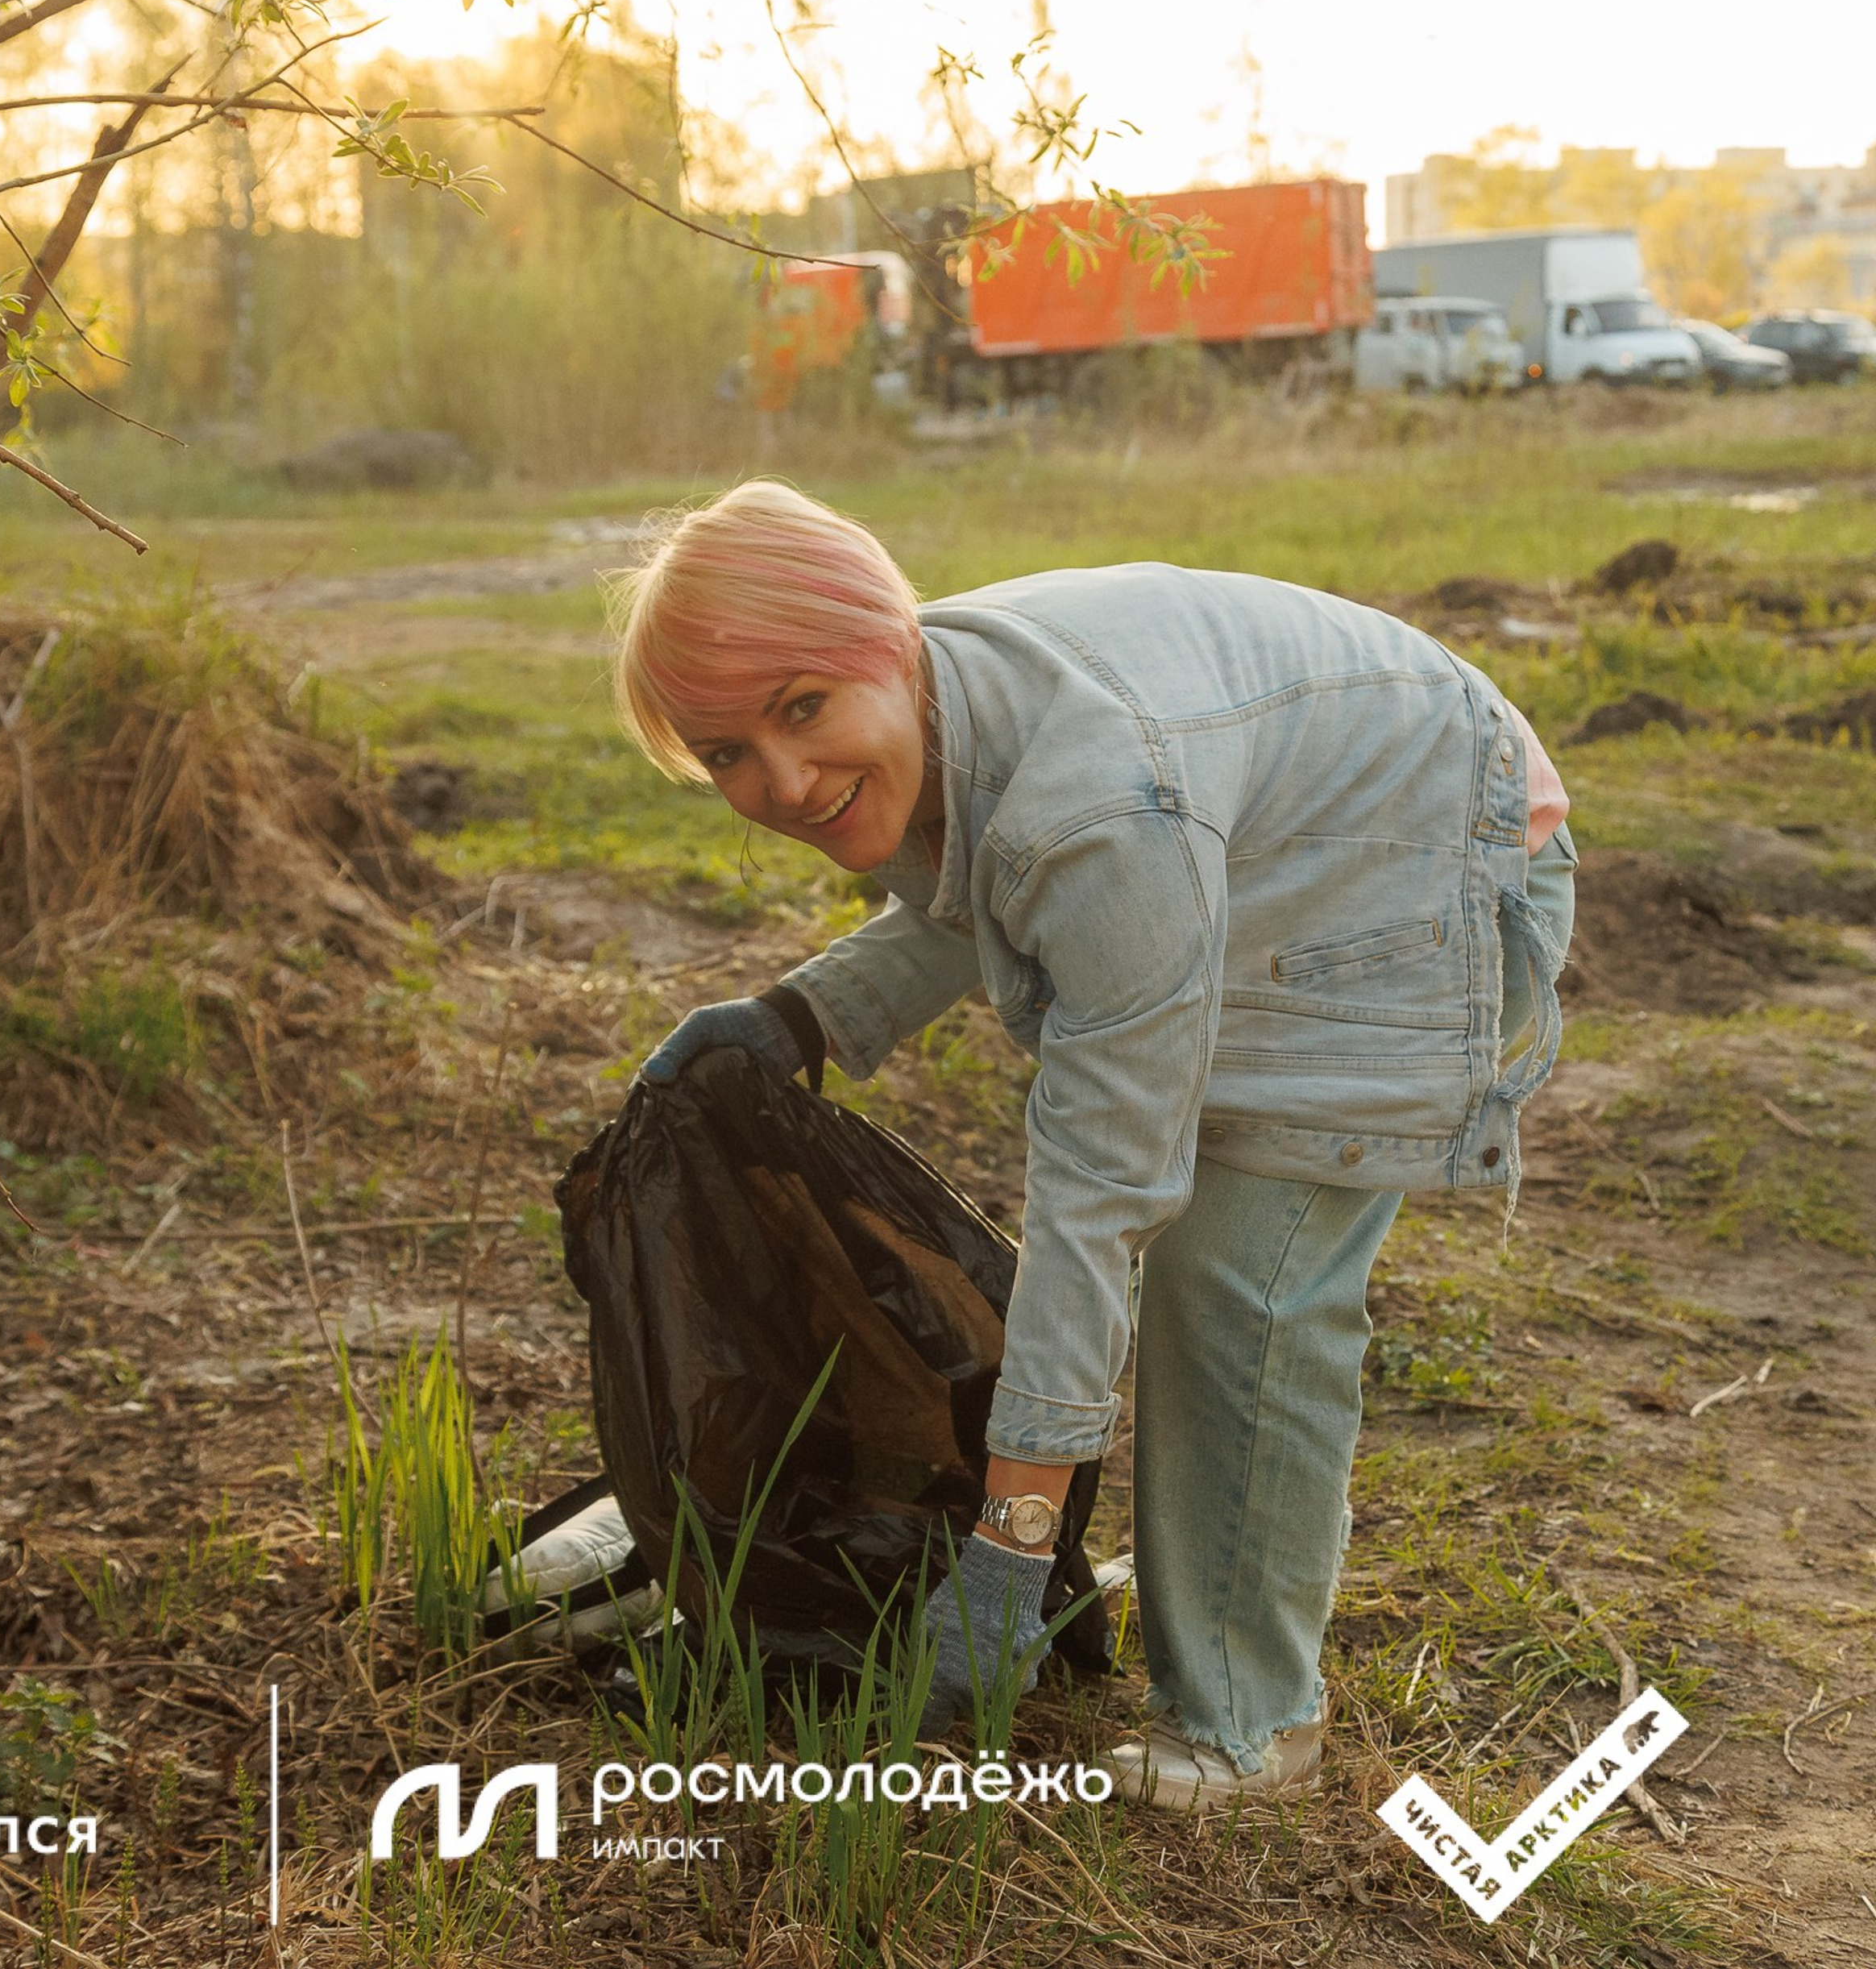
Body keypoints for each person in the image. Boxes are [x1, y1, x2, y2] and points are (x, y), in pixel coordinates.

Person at [610, 478, 1576, 1810]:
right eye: (727, 754)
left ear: (890, 643)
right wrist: (801, 1014)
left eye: (801, 710)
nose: (781, 782)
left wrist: (1010, 1549)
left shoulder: (1100, 801)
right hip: (1274, 823)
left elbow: (1098, 1193)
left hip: (1429, 847)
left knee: (1246, 1276)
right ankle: (1215, 1600)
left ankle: (1248, 1727)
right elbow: (993, 880)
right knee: (1217, 1254)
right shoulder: (950, 719)